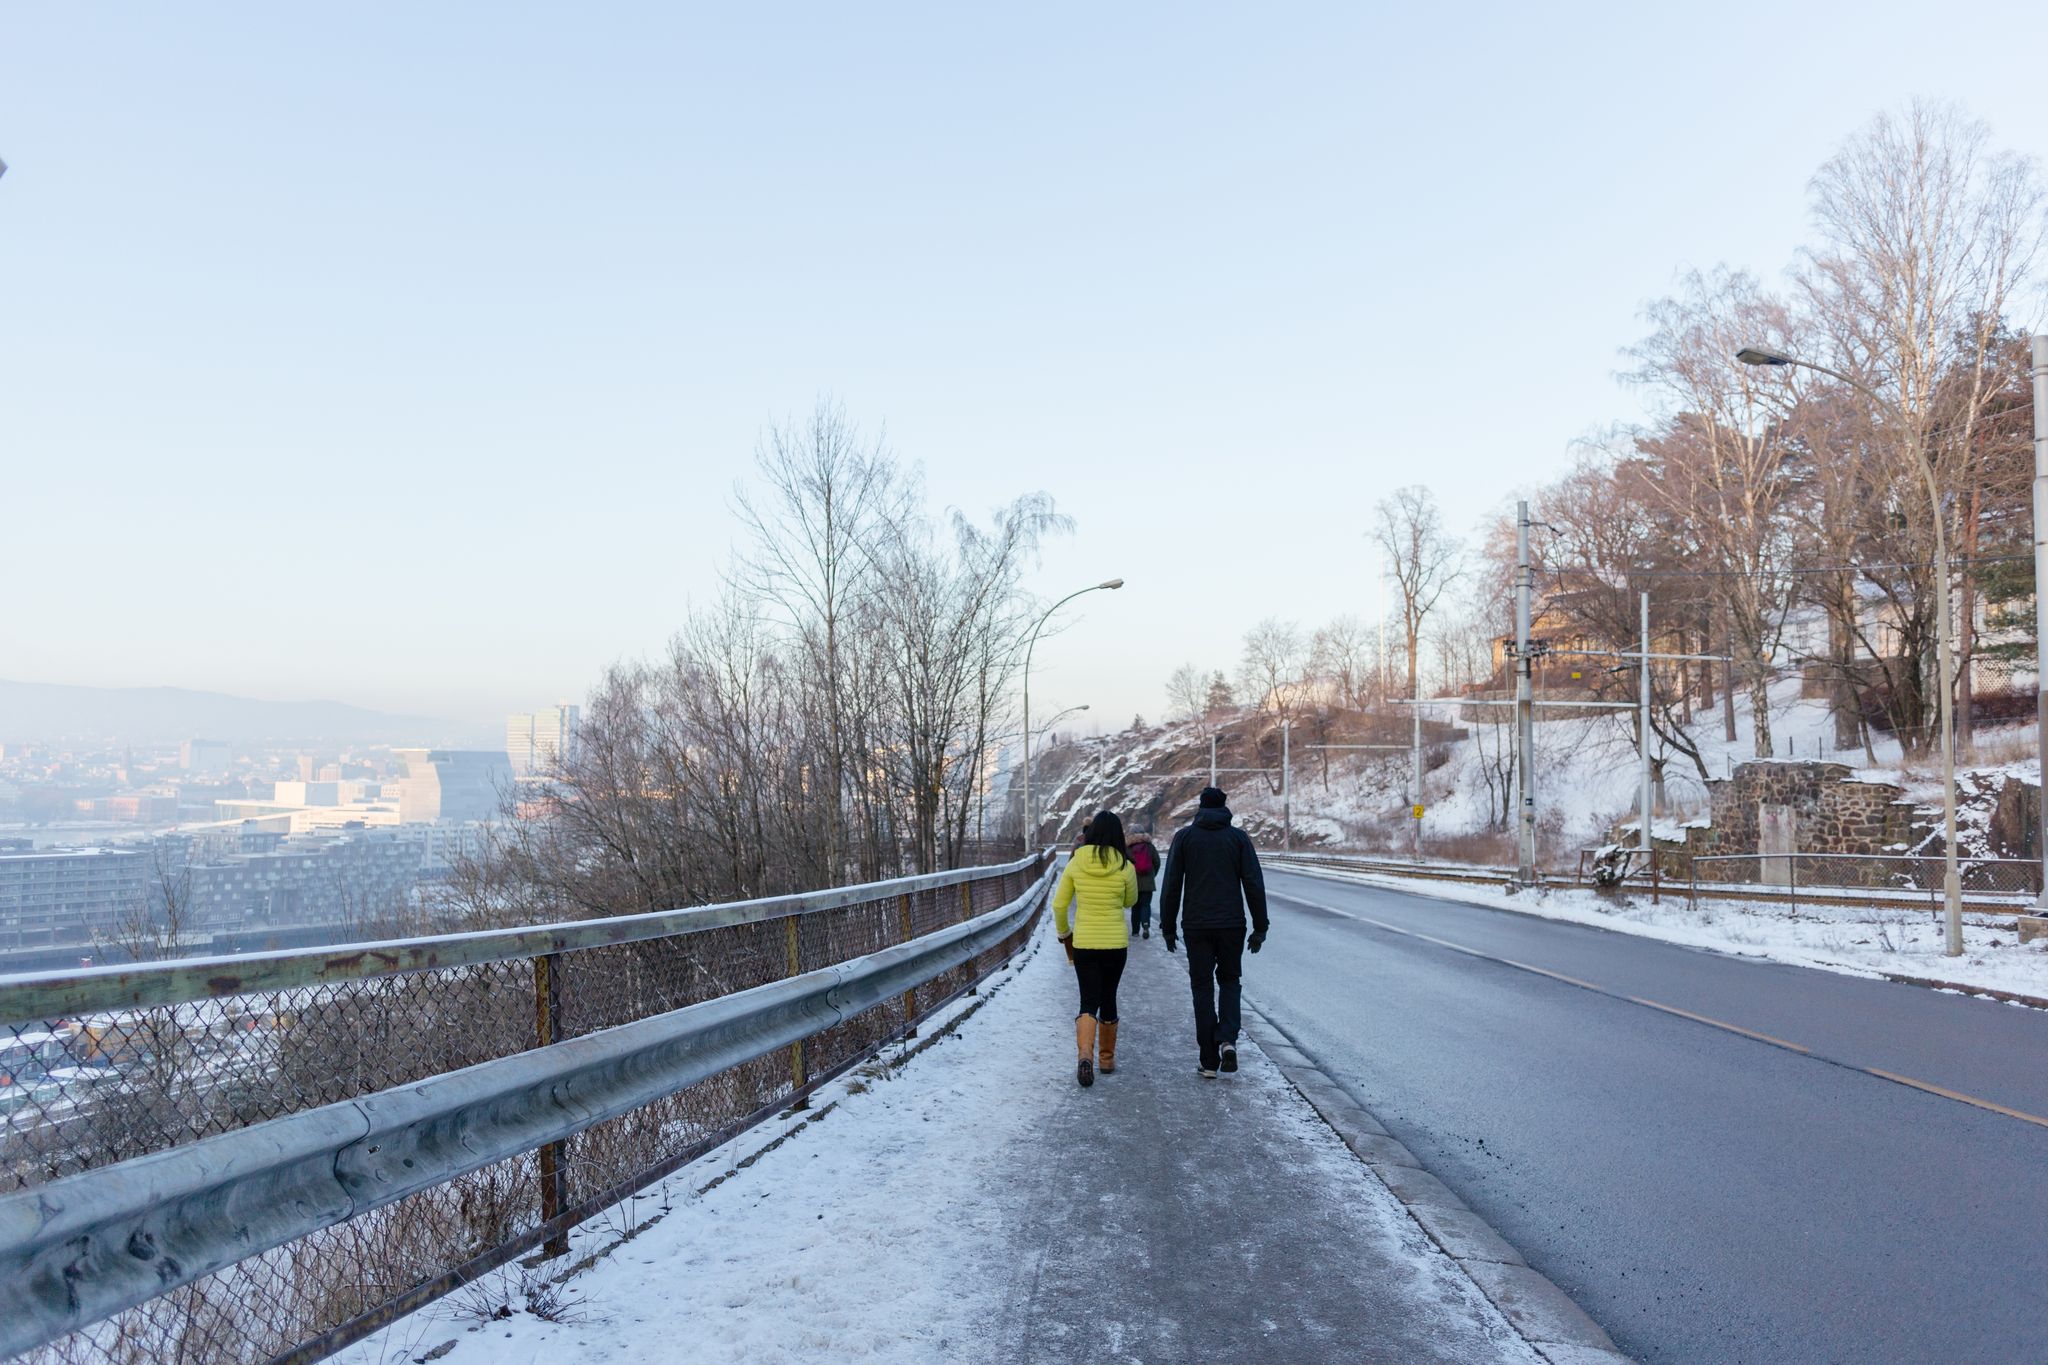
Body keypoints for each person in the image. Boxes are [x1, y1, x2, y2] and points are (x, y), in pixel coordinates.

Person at [1159, 786, 1269, 1079]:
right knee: (1230, 981)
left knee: (1202, 988)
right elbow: (1253, 883)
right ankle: (1228, 1040)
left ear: (1199, 807)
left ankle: (1208, 1060)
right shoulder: (1238, 839)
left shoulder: (1185, 838)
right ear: (1225, 808)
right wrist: (1260, 927)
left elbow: (1171, 885)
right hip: (1232, 924)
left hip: (1196, 925)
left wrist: (1168, 927)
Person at [1052, 810, 1138, 1088]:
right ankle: (1107, 1059)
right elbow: (1130, 901)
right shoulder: (1126, 866)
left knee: (1088, 1000)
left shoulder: (1076, 863)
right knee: (1109, 996)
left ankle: (1084, 1056)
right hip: (1115, 943)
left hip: (1085, 943)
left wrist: (1064, 933)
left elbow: (1059, 905)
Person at [1126, 826, 1161, 939]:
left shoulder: (1128, 848)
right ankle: (1146, 925)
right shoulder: (1150, 846)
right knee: (1146, 905)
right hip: (1148, 882)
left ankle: (1135, 931)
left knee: (1135, 907)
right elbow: (1157, 862)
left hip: (1133, 882)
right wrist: (1152, 875)